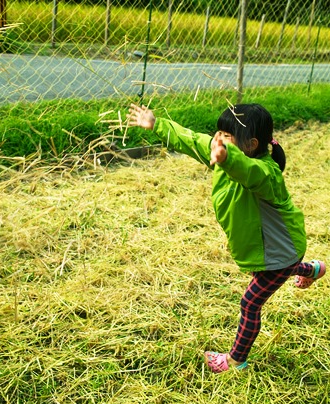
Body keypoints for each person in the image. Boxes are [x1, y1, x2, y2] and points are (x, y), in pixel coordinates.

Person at [127, 102, 326, 374]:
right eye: (218, 133)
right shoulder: (224, 153)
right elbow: (193, 140)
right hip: (272, 249)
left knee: (250, 302)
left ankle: (236, 360)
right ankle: (314, 269)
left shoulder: (266, 174)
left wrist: (227, 158)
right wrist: (157, 124)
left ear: (251, 144)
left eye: (226, 136)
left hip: (280, 253)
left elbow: (249, 172)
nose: (217, 140)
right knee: (278, 273)